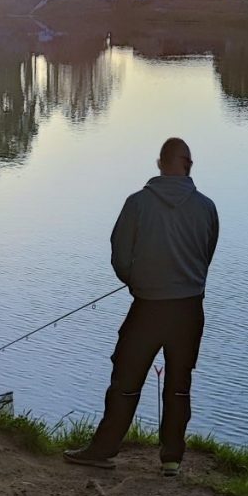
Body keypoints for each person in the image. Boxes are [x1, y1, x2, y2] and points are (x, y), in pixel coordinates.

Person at [63, 137, 219, 477]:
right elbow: (207, 253)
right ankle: (172, 458)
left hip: (147, 307)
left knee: (125, 379)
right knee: (179, 384)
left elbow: (119, 254)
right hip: (190, 310)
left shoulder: (137, 204)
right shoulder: (206, 207)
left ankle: (103, 450)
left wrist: (135, 281)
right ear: (188, 165)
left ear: (159, 163)